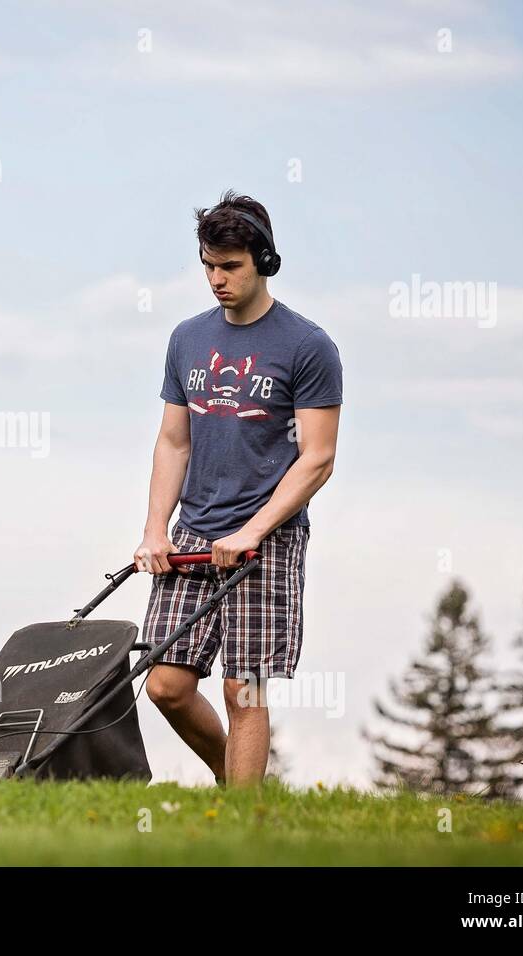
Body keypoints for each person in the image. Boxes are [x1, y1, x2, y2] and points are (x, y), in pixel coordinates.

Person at [133, 190, 342, 788]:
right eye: (208, 265)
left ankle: (242, 826)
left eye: (231, 266)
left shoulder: (308, 346)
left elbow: (318, 458)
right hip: (194, 532)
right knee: (166, 685)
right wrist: (154, 531)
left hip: (267, 537)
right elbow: (174, 441)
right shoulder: (187, 339)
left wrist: (251, 531)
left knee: (241, 687)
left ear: (263, 261)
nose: (217, 279)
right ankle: (236, 780)